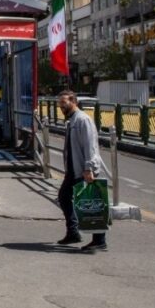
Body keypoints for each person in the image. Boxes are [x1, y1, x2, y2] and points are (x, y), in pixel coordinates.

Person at [55, 90, 108, 252]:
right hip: (74, 169)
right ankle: (73, 232)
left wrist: (88, 168)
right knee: (64, 197)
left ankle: (99, 240)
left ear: (74, 102)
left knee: (91, 202)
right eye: (60, 103)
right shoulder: (72, 120)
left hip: (83, 169)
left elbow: (90, 145)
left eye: (64, 103)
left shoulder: (83, 120)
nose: (61, 106)